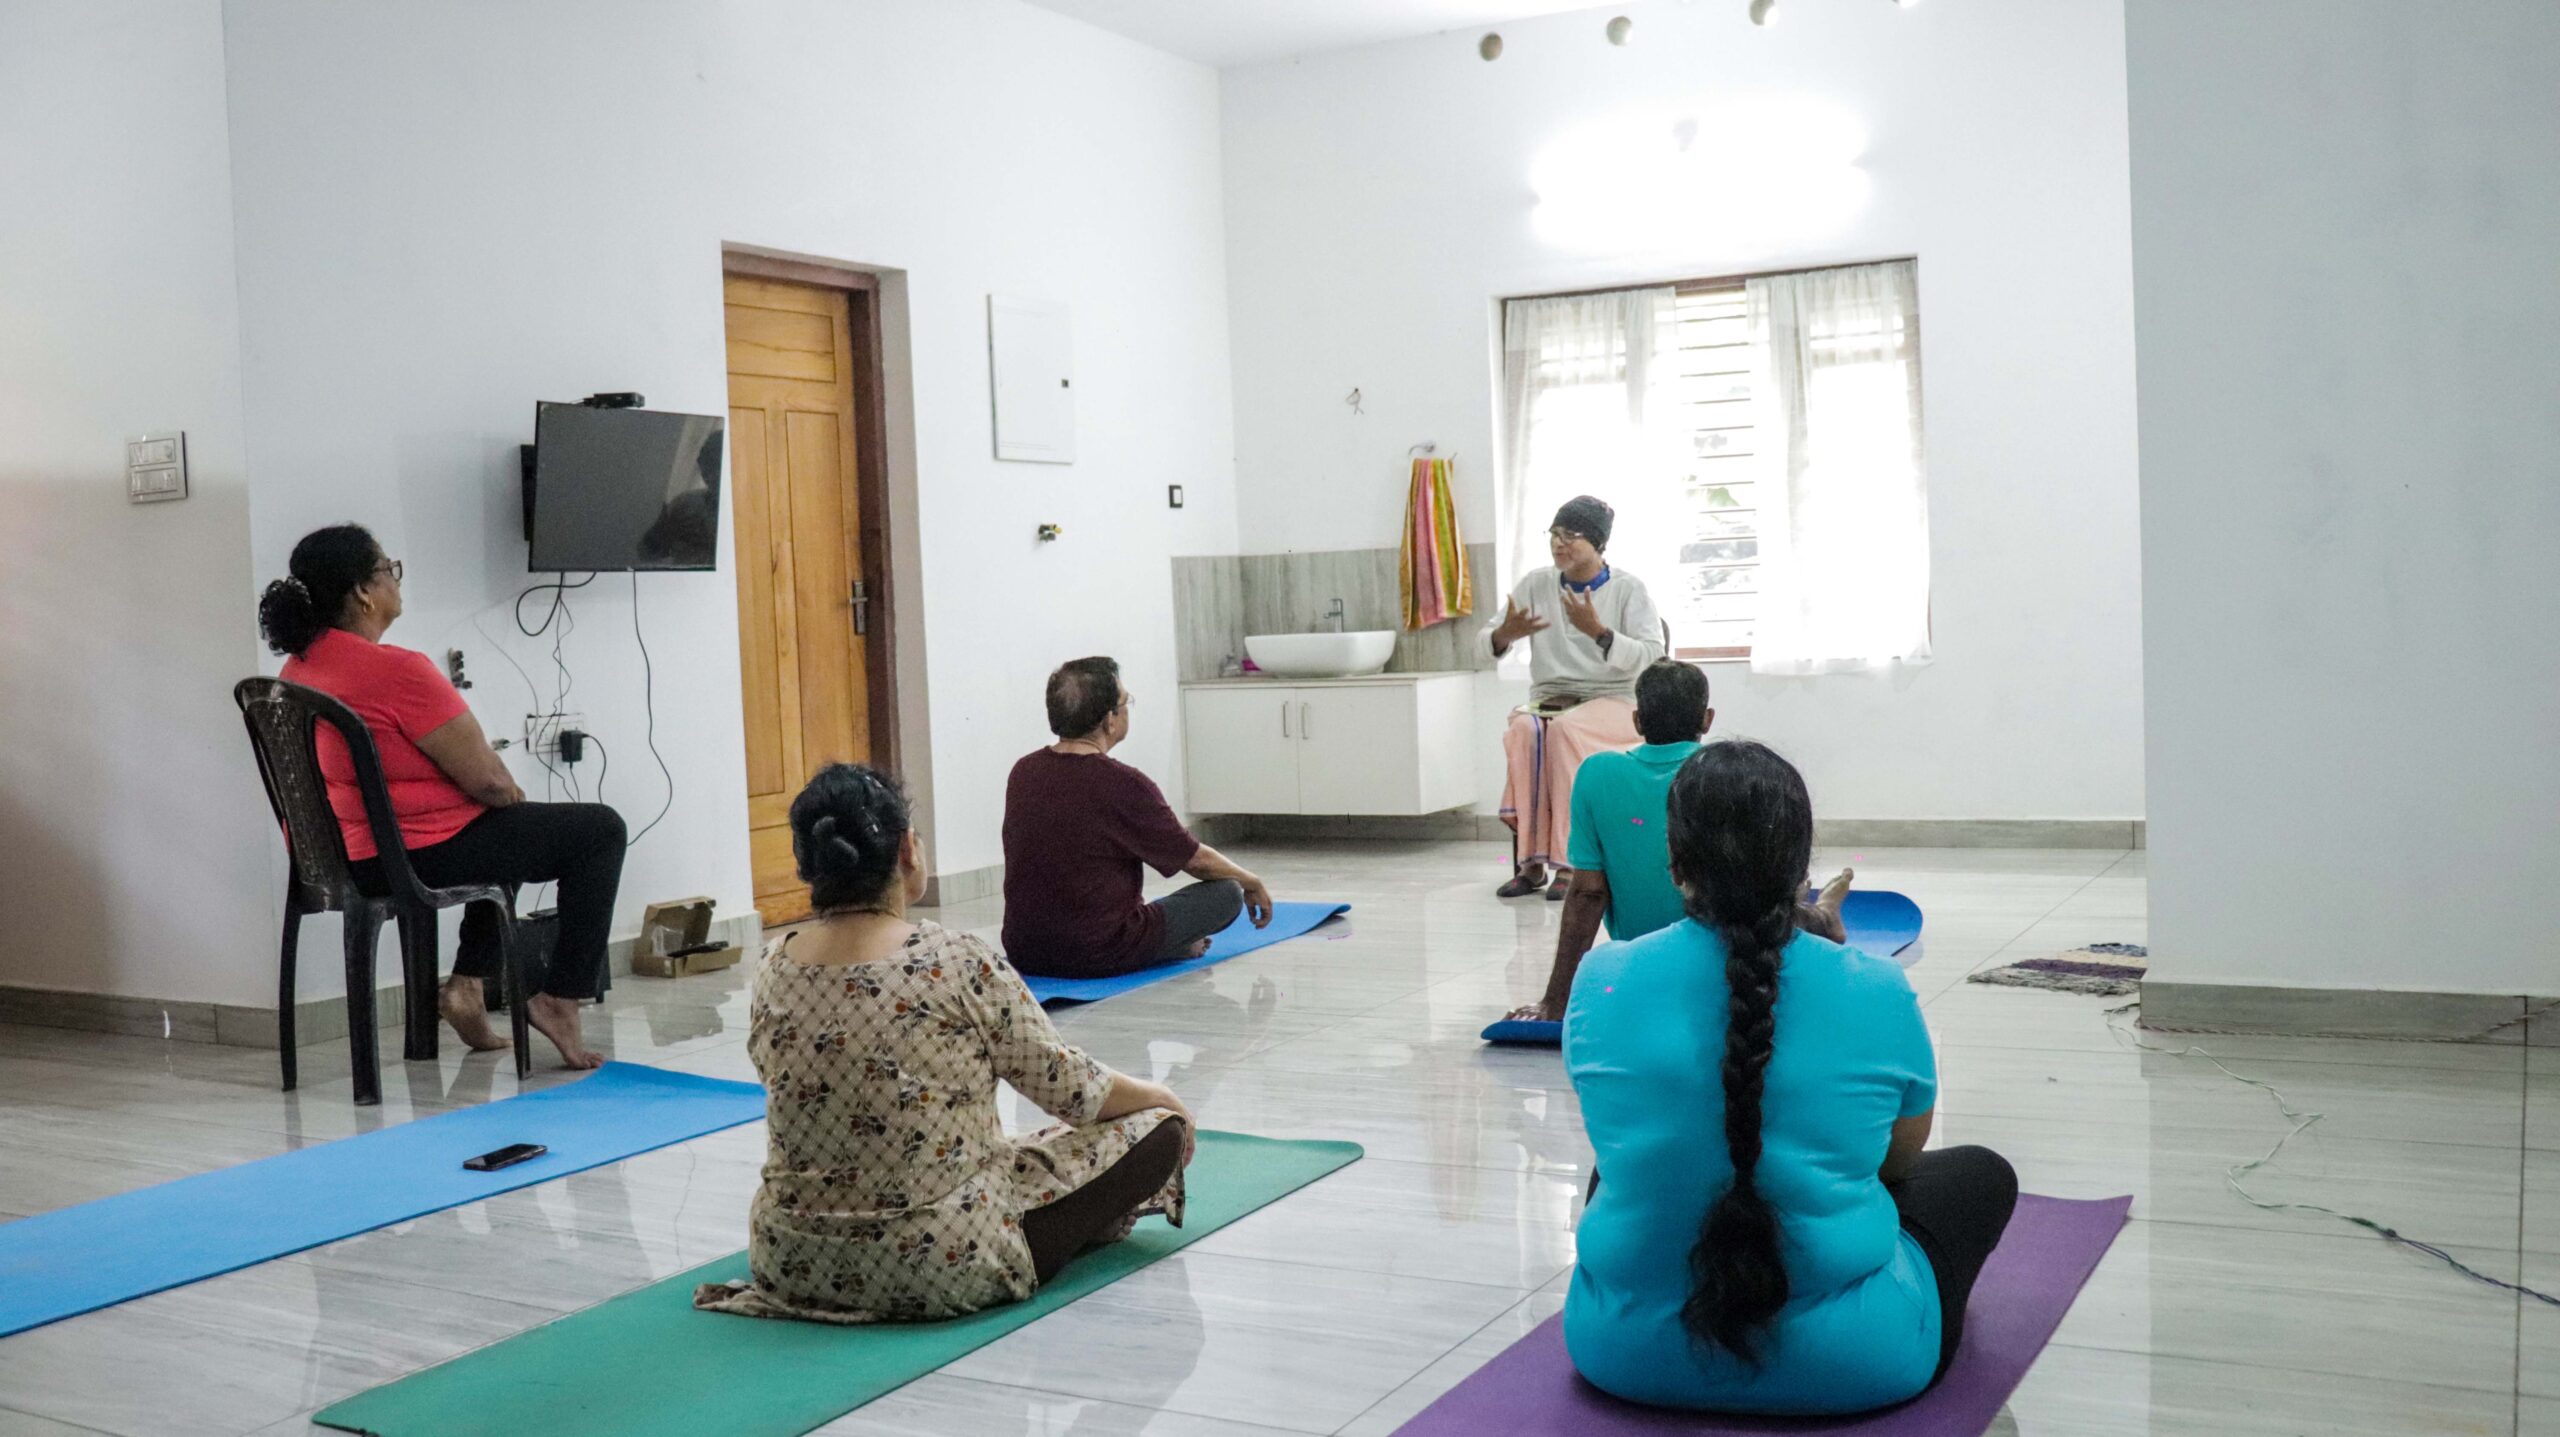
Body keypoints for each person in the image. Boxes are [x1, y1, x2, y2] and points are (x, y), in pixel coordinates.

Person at [1564, 740, 2018, 1416]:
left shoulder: (1601, 978)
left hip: (1621, 1352)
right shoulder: (1877, 987)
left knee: (1619, 1166)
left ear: (1676, 865)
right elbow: (1894, 1159)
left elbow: (1626, 1132)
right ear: (1800, 867)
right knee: (1981, 1174)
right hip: (1857, 1360)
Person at [694, 763, 1194, 1324]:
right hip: (941, 1260)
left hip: (792, 1261)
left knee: (1007, 1147)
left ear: (808, 866)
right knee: (1157, 1131)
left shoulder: (773, 969)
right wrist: (1160, 1095)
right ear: (908, 850)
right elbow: (1072, 1091)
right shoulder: (955, 960)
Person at [257, 523, 621, 1069]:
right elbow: (490, 781)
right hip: (414, 855)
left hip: (341, 862)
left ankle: (467, 988)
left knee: (508, 829)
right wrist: (506, 794)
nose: (396, 580)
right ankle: (558, 999)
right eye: (388, 570)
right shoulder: (398, 670)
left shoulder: (297, 670)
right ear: (362, 591)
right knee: (598, 830)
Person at [1503, 661, 1852, 1025]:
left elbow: (1587, 893)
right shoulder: (1720, 772)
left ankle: (1816, 913)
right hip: (1735, 951)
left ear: (1637, 720)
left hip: (1646, 956)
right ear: (1707, 719)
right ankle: (1819, 916)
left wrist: (1555, 1004)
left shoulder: (1596, 773)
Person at [1001, 656, 1273, 978]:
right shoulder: (1124, 784)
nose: (1128, 707)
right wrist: (1251, 882)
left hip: (1024, 950)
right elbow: (1195, 860)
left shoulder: (1024, 771)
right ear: (1109, 720)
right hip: (1097, 951)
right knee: (1226, 893)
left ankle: (1166, 945)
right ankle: (1166, 949)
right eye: (1125, 701)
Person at [1487, 496, 1665, 899]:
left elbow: (1653, 655)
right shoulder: (1536, 583)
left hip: (1615, 701)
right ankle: (1530, 864)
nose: (1558, 544)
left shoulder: (1628, 589)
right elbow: (1487, 637)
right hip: (1550, 699)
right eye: (1554, 534)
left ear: (1599, 545)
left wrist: (1600, 633)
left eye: (1571, 535)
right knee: (1524, 732)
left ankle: (1571, 863)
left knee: (1563, 731)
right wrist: (1503, 636)